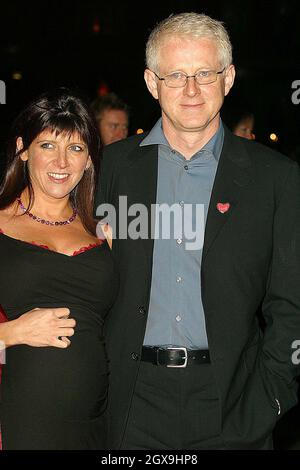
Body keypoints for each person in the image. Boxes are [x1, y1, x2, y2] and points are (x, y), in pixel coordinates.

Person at [97, 12, 300, 450]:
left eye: (204, 74)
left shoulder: (276, 178)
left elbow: (293, 302)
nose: (191, 90)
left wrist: (273, 397)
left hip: (234, 406)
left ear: (227, 79)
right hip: (127, 404)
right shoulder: (111, 168)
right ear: (152, 83)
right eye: (176, 75)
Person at [0, 88, 118, 449]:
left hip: (96, 424)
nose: (62, 162)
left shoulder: (102, 234)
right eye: (48, 145)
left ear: (88, 162)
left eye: (76, 148)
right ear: (23, 148)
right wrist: (12, 333)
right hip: (22, 421)